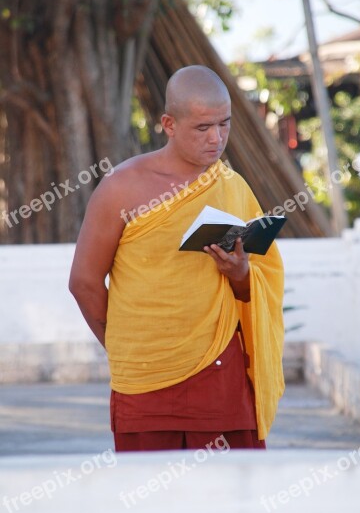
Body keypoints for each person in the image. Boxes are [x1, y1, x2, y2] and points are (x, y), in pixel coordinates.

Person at [69, 65, 285, 452]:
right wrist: (124, 346)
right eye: (202, 128)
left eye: (224, 124)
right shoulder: (122, 187)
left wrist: (240, 274)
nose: (216, 139)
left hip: (219, 371)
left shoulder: (232, 187)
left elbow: (260, 278)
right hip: (144, 377)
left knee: (231, 502)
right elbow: (83, 282)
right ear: (168, 124)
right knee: (151, 506)